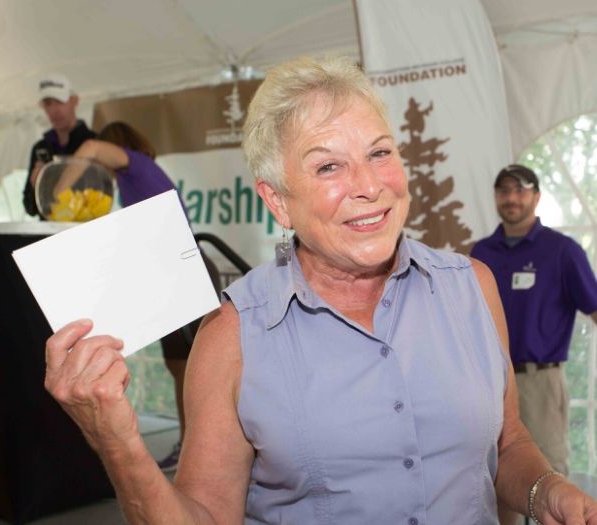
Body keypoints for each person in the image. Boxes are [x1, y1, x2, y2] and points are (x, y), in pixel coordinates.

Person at [43, 57, 597, 524]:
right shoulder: (233, 335)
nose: (369, 185)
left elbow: (508, 443)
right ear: (278, 200)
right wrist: (119, 443)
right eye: (329, 166)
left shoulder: (472, 287)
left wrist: (542, 490)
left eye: (380, 153)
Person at [68, 121, 222, 471]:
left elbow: (91, 149)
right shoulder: (129, 181)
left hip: (187, 271)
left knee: (196, 367)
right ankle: (191, 445)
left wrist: (61, 181)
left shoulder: (136, 164)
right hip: (171, 276)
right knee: (180, 365)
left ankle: (200, 449)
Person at [471, 164, 597, 523]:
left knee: (551, 480)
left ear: (536, 197)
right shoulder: (480, 252)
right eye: (504, 191)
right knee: (496, 480)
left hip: (540, 381)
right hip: (490, 383)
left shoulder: (562, 251)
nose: (511, 198)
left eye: (520, 190)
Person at [23, 73, 96, 218]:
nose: (54, 110)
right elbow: (30, 208)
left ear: (74, 101)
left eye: (59, 102)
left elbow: (101, 197)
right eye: (48, 104)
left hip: (87, 231)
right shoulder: (40, 148)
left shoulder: (95, 144)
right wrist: (35, 185)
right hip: (50, 235)